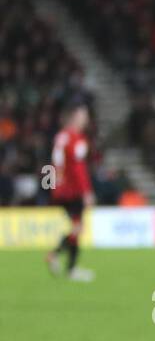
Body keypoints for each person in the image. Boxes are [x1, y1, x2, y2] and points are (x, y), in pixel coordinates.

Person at [45, 103, 96, 282]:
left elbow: (52, 163)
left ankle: (70, 268)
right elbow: (78, 168)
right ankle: (57, 255)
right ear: (74, 117)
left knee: (76, 227)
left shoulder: (60, 137)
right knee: (78, 228)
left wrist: (51, 187)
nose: (86, 120)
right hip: (73, 191)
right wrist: (87, 192)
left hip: (60, 190)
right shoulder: (77, 139)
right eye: (83, 116)